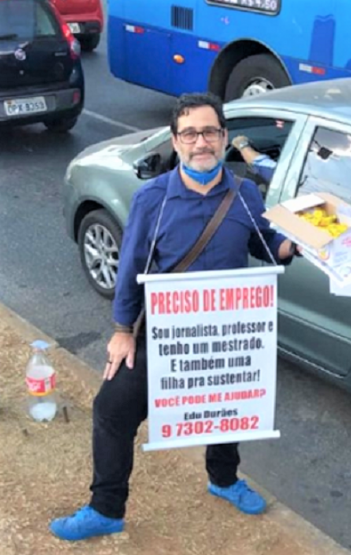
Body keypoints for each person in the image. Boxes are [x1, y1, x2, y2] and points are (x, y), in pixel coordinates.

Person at [50, 93, 302, 542]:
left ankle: (223, 479)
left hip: (230, 331)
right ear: (176, 141)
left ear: (224, 137)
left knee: (227, 410)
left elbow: (266, 245)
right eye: (190, 133)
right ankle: (106, 508)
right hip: (169, 333)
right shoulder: (153, 199)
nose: (200, 141)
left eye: (209, 131)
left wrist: (301, 243)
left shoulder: (244, 194)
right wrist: (123, 332)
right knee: (111, 408)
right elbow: (130, 269)